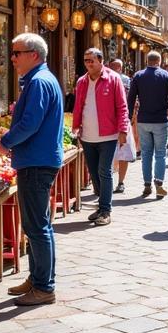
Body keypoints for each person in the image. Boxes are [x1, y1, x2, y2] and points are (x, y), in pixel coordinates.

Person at [0, 33, 65, 306]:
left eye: (17, 53)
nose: (12, 58)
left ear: (33, 55)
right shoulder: (41, 80)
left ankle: (44, 286)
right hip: (38, 159)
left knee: (37, 227)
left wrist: (6, 142)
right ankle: (38, 279)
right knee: (37, 225)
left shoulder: (38, 82)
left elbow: (29, 124)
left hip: (36, 162)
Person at [72, 48, 129, 227]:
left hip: (108, 135)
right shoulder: (81, 81)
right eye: (86, 60)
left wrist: (123, 130)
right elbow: (78, 106)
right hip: (87, 136)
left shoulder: (113, 79)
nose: (88, 63)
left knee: (104, 171)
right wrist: (75, 127)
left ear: (101, 60)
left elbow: (122, 106)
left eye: (92, 60)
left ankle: (106, 210)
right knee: (94, 172)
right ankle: (101, 203)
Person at [128, 50, 168, 198]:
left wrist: (130, 116)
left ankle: (147, 184)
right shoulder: (166, 76)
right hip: (161, 120)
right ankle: (159, 183)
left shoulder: (138, 76)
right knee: (160, 154)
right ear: (159, 61)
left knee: (146, 154)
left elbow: (131, 98)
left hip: (143, 120)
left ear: (147, 62)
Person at [108, 58, 135, 194]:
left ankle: (119, 182)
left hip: (121, 121)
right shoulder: (124, 80)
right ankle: (117, 182)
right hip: (115, 121)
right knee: (120, 153)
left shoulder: (122, 80)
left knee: (121, 153)